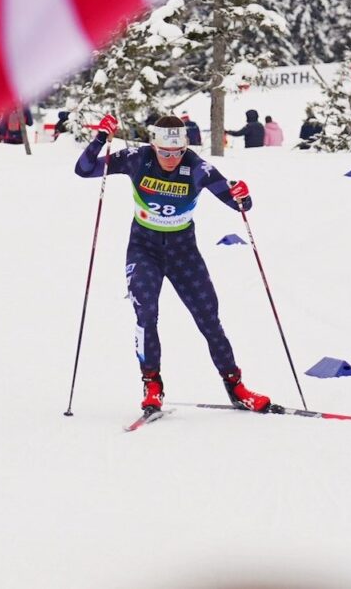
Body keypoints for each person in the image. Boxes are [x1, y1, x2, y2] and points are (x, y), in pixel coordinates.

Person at [74, 113, 271, 414]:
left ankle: (236, 386)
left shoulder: (198, 168)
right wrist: (101, 138)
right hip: (144, 248)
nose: (171, 158)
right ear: (154, 145)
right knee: (146, 312)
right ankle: (152, 384)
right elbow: (84, 170)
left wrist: (243, 195)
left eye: (178, 152)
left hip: (183, 252)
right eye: (165, 152)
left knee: (209, 319)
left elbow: (238, 204)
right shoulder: (136, 158)